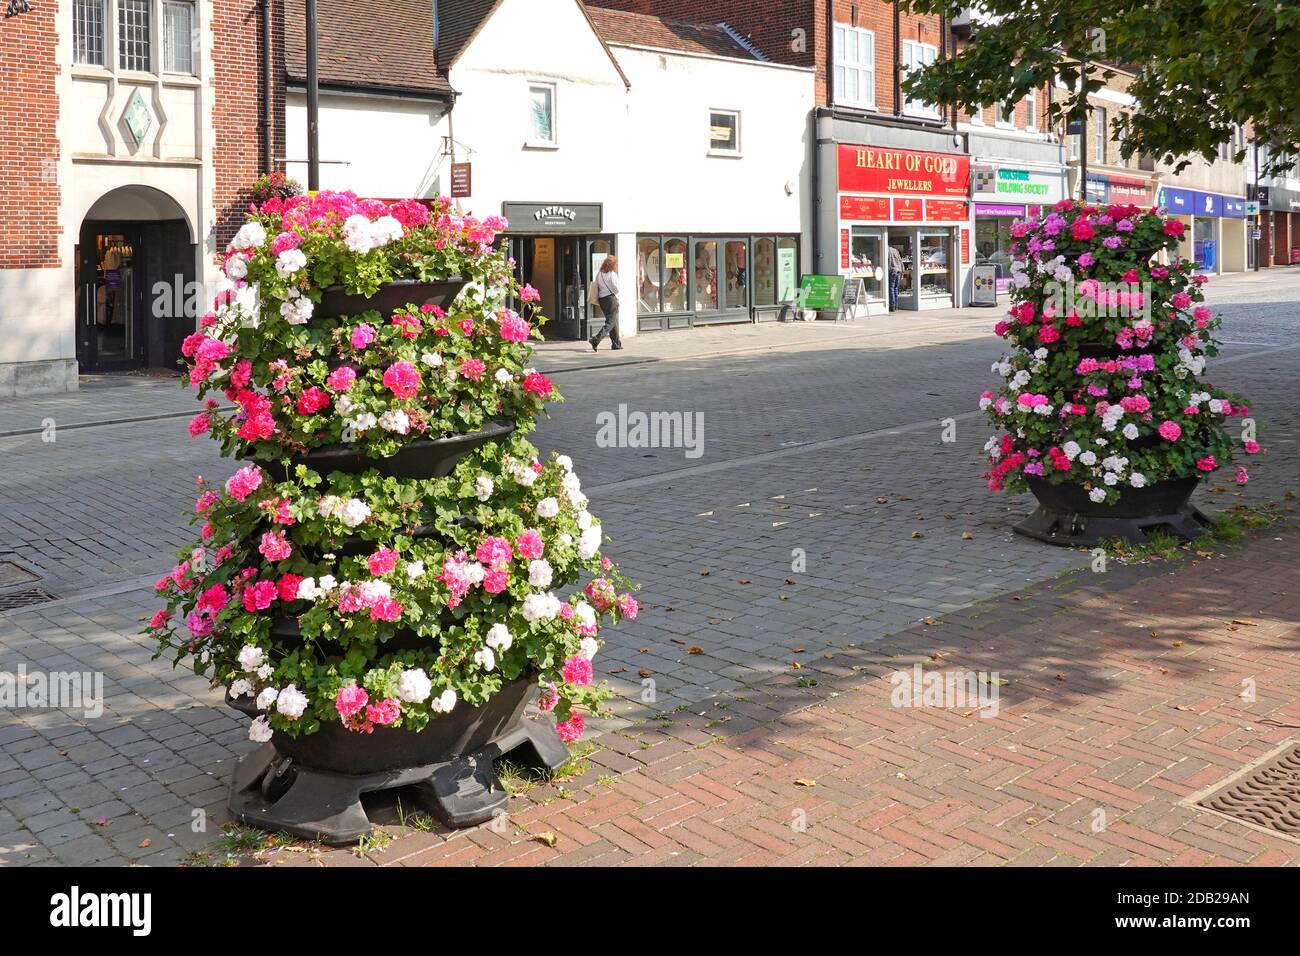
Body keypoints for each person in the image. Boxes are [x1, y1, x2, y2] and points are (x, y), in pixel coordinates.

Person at [589, 255, 622, 351]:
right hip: (611, 299)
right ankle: (596, 340)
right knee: (610, 322)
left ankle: (616, 344)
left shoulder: (600, 274)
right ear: (613, 265)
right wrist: (616, 293)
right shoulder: (612, 274)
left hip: (602, 300)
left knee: (613, 321)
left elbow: (597, 285)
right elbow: (616, 288)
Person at [887, 243, 904, 312]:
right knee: (895, 288)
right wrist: (902, 271)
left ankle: (892, 306)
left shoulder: (886, 250)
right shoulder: (895, 250)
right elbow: (900, 261)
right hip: (898, 270)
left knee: (891, 288)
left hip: (892, 271)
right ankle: (896, 305)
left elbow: (888, 261)